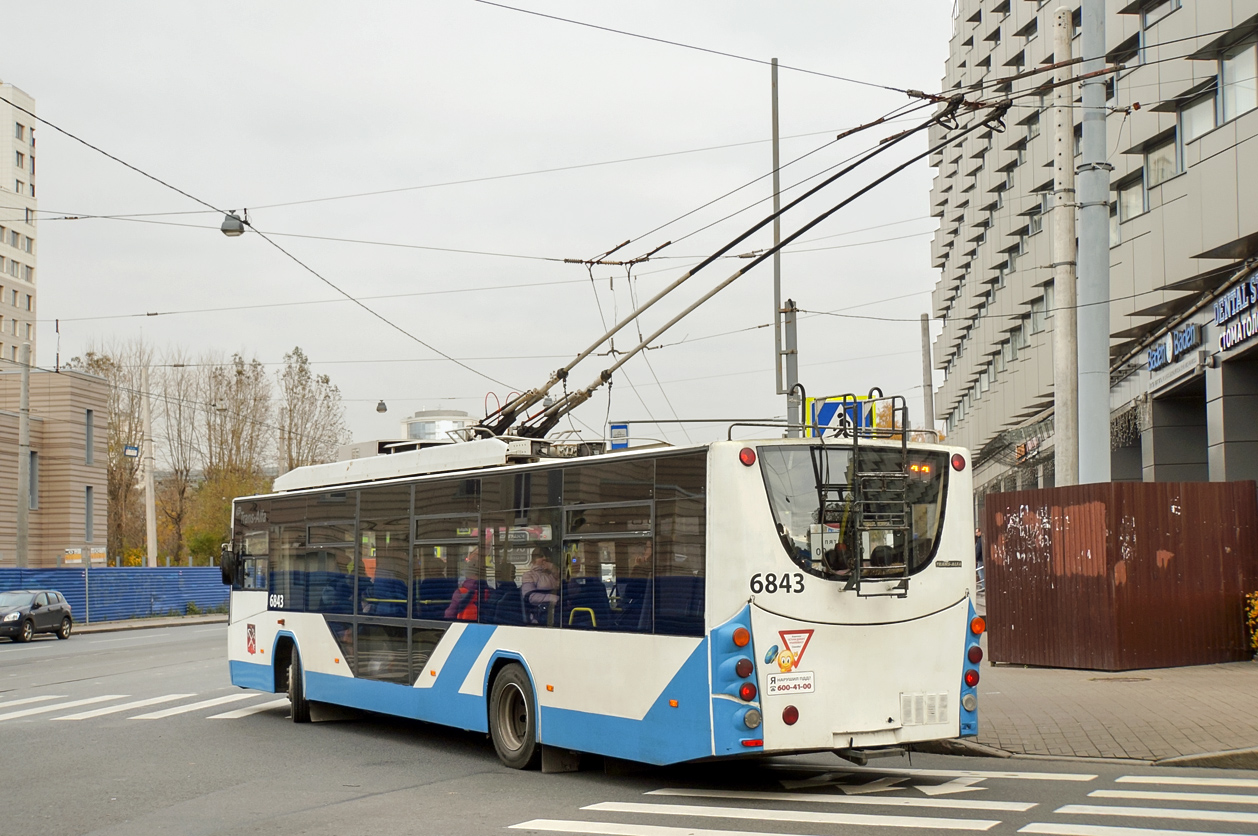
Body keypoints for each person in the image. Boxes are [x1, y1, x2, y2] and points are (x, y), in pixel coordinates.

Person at [521, 548, 559, 624]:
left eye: (547, 556)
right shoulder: (529, 575)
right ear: (534, 560)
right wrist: (553, 598)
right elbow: (530, 597)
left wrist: (554, 569)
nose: (544, 558)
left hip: (557, 613)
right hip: (539, 616)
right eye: (541, 556)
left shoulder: (552, 575)